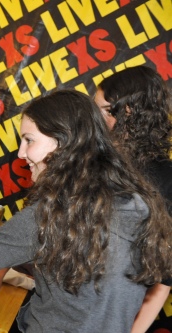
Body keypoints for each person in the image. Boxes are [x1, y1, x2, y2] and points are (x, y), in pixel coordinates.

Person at [0, 90, 172, 332]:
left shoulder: (58, 210)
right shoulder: (138, 203)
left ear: (63, 143)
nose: (20, 153)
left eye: (29, 140)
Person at [94, 65, 172, 333]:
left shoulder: (165, 181)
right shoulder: (94, 161)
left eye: (104, 110)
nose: (96, 118)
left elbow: (164, 278)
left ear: (128, 111)